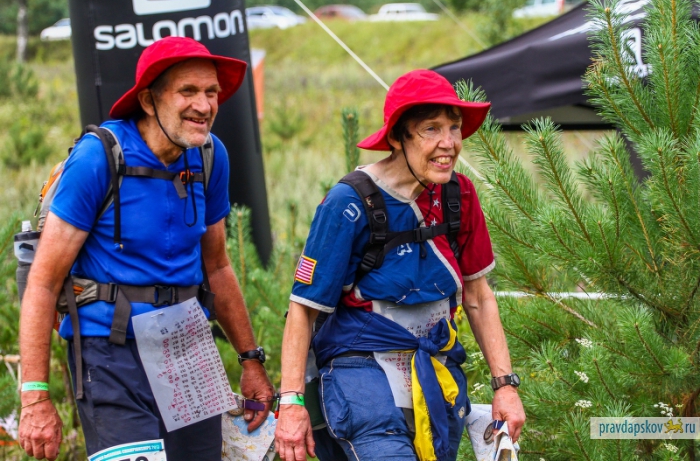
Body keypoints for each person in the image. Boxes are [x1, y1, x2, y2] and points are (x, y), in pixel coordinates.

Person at [18, 36, 274, 461]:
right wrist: (35, 398)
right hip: (108, 349)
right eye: (188, 91)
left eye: (211, 92)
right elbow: (43, 282)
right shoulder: (99, 157)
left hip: (187, 345)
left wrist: (251, 360)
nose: (204, 105)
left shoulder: (210, 156)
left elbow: (218, 267)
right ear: (149, 100)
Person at [274, 69, 525, 461]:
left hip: (435, 371)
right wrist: (291, 403)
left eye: (454, 128)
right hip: (361, 375)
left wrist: (505, 386)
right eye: (431, 129)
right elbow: (303, 308)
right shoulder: (349, 203)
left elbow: (478, 296)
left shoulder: (459, 195)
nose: (449, 143)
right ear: (396, 138)